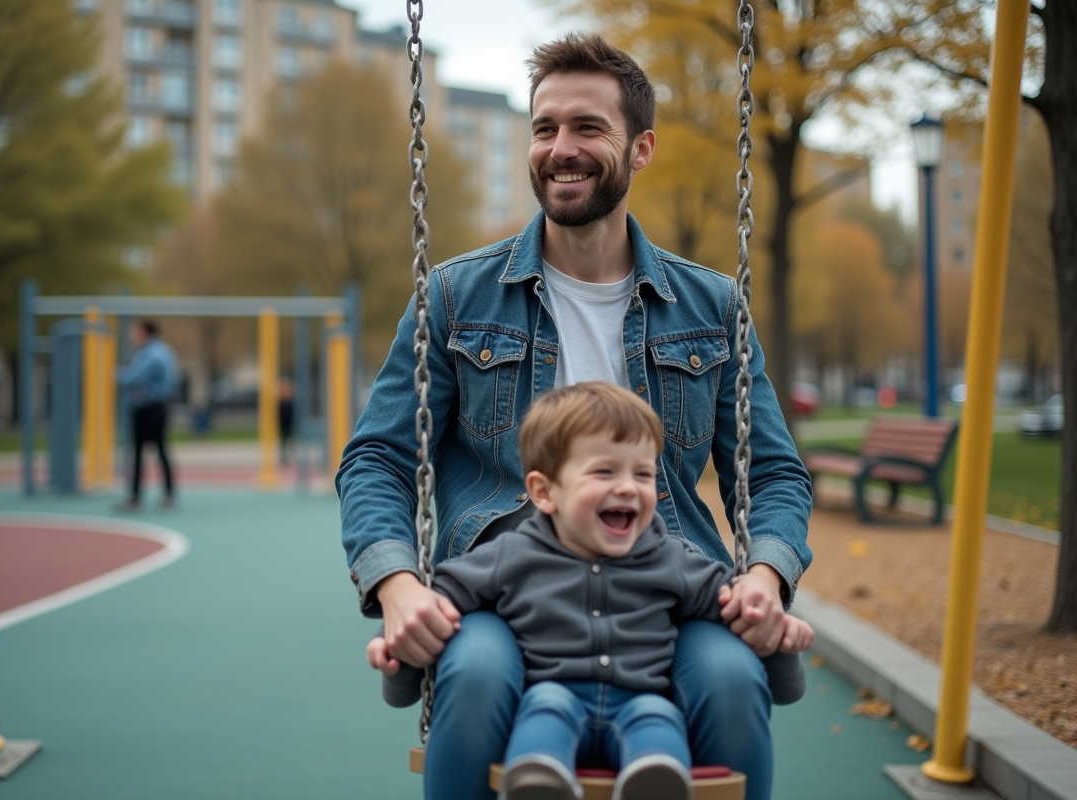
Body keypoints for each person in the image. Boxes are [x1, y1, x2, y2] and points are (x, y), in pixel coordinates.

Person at [336, 33, 813, 800]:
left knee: (729, 678)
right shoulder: (458, 297)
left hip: (668, 584)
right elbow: (378, 459)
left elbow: (773, 472)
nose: (562, 148)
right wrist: (398, 587)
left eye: (588, 128)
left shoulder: (712, 307)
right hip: (505, 586)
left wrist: (764, 575)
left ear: (641, 146)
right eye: (545, 128)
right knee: (478, 670)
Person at [367, 383, 815, 800]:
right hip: (552, 695)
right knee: (544, 712)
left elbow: (736, 610)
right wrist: (400, 658)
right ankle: (541, 780)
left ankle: (653, 782)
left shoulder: (671, 558)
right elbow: (434, 613)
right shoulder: (509, 555)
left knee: (659, 725)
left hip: (642, 701)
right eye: (604, 471)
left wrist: (778, 639)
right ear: (544, 493)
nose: (626, 486)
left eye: (643, 475)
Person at [116, 319, 179, 510]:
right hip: (156, 407)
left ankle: (136, 497)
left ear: (146, 332)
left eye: (136, 331)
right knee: (159, 450)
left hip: (148, 407)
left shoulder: (151, 354)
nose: (133, 336)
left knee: (141, 452)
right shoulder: (164, 351)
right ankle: (167, 494)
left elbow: (134, 378)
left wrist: (116, 375)